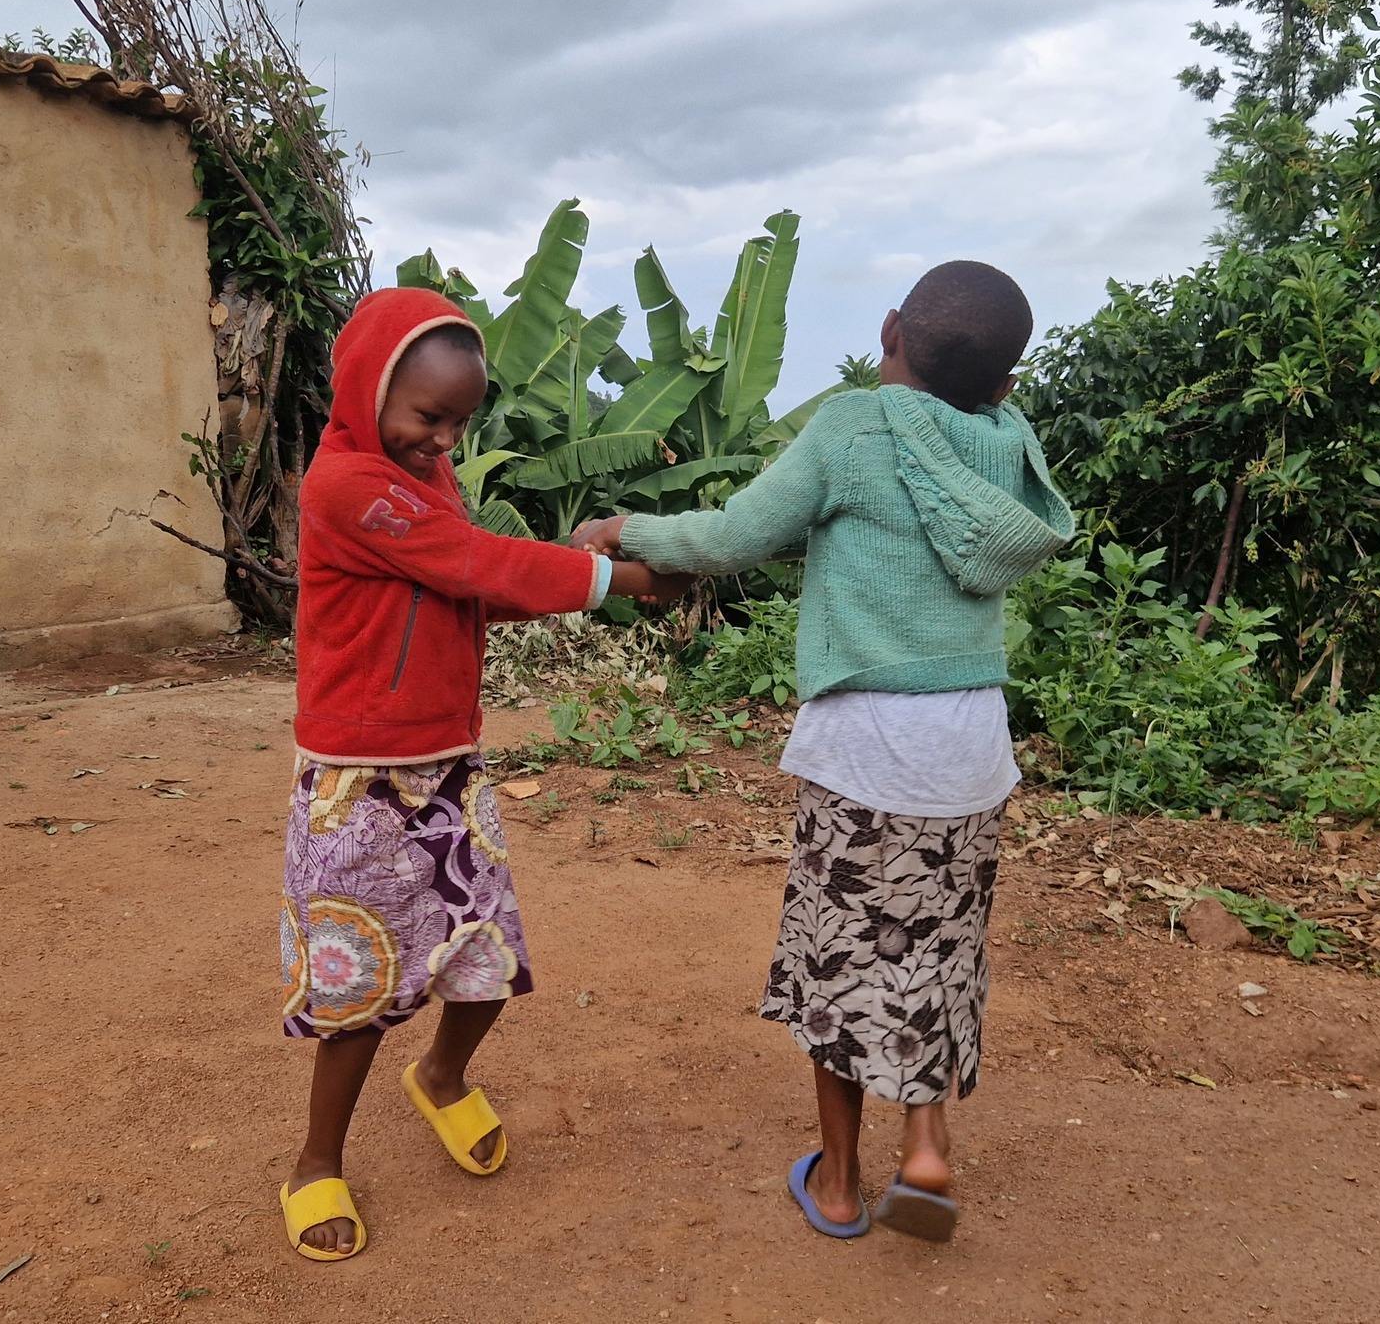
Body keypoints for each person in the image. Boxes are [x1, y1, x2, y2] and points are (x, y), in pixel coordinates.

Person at [572, 261, 1075, 1242]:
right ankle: (924, 1145)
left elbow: (735, 535)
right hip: (971, 748)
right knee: (934, 944)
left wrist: (625, 529)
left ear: (888, 328)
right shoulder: (1009, 443)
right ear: (1005, 384)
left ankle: (840, 1182)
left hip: (867, 752)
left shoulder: (852, 427)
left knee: (842, 954)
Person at [277, 287, 690, 1262]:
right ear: (367, 387)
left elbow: (464, 593)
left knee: (487, 963)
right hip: (359, 785)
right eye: (429, 417)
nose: (446, 443)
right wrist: (615, 578)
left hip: (449, 771)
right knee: (364, 995)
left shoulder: (425, 487)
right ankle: (314, 1160)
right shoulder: (346, 485)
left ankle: (444, 1078)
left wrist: (567, 573)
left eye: (460, 423)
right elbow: (472, 565)